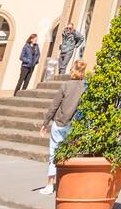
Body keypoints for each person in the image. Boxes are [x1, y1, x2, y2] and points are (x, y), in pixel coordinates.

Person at [36, 59, 87, 195]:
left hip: (59, 123)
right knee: (72, 154)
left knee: (54, 153)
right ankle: (69, 184)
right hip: (74, 125)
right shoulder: (85, 87)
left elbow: (54, 105)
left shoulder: (65, 85)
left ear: (73, 71)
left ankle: (49, 185)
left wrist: (45, 123)